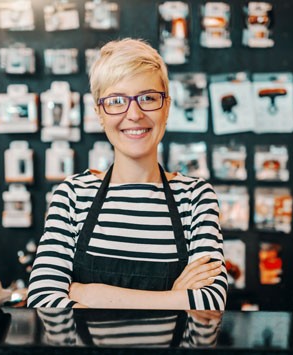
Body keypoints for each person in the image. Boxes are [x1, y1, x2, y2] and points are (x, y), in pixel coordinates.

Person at [27, 38, 227, 310]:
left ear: (166, 107)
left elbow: (210, 303)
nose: (134, 114)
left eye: (148, 98)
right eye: (117, 101)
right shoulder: (73, 195)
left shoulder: (194, 198)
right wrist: (174, 298)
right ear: (100, 112)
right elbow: (42, 299)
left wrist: (90, 294)